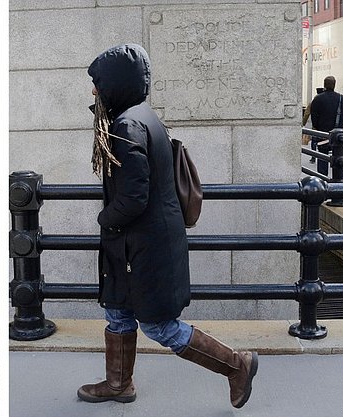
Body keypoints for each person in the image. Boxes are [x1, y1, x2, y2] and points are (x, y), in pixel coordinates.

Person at [77, 44, 257, 409]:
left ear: (116, 83)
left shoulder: (126, 126)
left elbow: (133, 198)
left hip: (141, 247)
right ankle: (119, 384)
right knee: (118, 310)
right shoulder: (142, 116)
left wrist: (103, 218)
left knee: (160, 326)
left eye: (98, 83)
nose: (94, 91)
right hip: (141, 244)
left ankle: (238, 365)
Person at [308, 76, 343, 175]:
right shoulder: (342, 98)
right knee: (339, 157)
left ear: (324, 85)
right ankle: (339, 179)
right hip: (338, 133)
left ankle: (323, 178)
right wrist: (341, 125)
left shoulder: (318, 99)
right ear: (334, 84)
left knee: (322, 157)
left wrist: (318, 127)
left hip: (323, 133)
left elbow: (314, 116)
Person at [303, 88, 325, 163]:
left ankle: (313, 156)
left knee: (314, 140)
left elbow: (306, 113)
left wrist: (303, 123)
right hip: (324, 124)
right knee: (324, 140)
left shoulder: (313, 102)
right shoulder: (325, 101)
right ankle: (323, 156)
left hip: (315, 124)